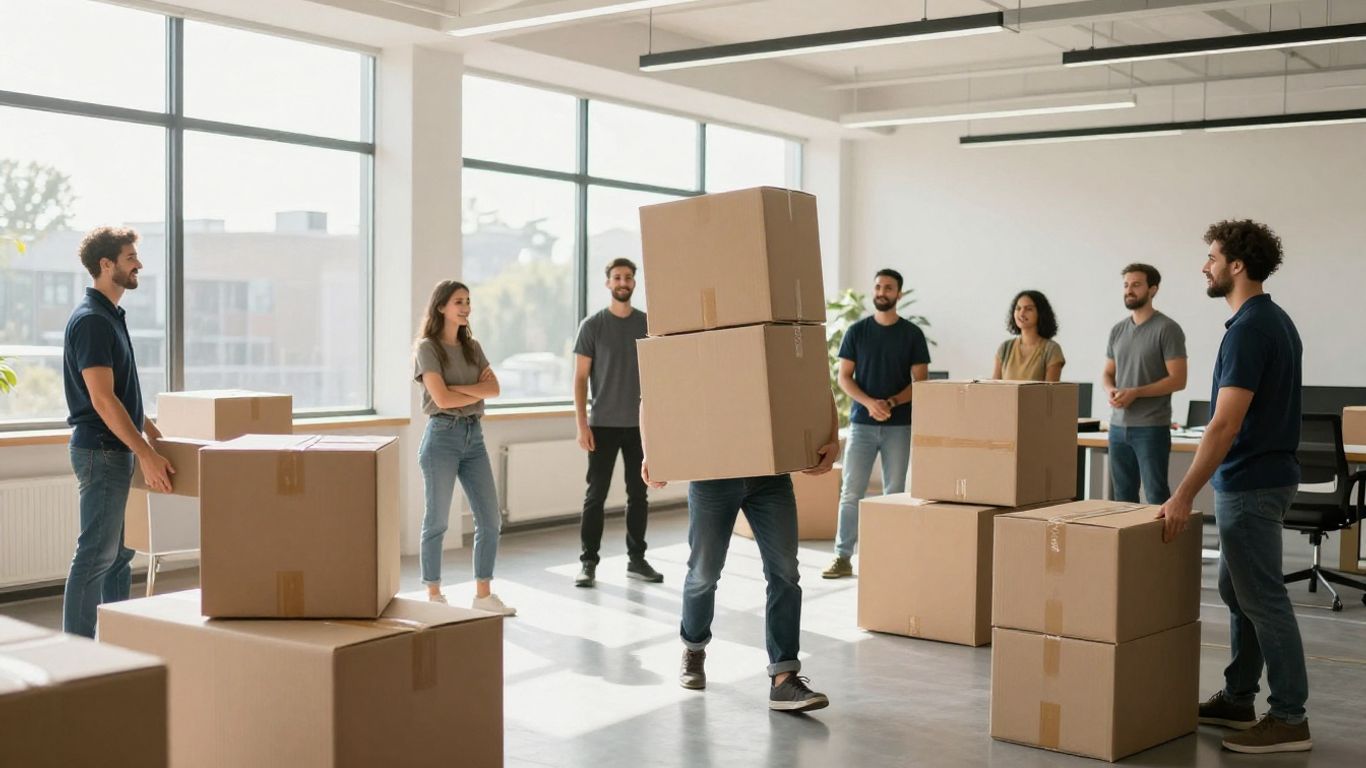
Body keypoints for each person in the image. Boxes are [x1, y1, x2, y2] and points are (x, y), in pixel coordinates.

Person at [1159, 220, 1310, 754]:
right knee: (1237, 591)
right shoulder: (1270, 320)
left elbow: (1224, 423)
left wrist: (1182, 495)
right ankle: (1239, 697)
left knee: (1262, 599)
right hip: (1260, 479)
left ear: (1236, 265)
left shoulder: (1250, 330)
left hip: (1251, 483)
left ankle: (1289, 718)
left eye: (1212, 257)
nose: (1205, 266)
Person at [643, 397, 840, 713]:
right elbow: (654, 394)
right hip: (712, 475)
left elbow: (814, 385)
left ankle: (784, 677)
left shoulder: (776, 355)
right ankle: (694, 648)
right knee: (704, 572)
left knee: (785, 572)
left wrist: (831, 438)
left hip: (771, 475)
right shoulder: (691, 358)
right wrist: (652, 452)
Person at [61, 226, 173, 638]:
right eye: (130, 258)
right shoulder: (93, 321)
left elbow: (121, 392)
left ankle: (114, 641)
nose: (138, 264)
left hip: (115, 450)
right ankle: (77, 651)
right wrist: (145, 453)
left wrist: (149, 429)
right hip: (102, 451)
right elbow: (103, 399)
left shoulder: (109, 315)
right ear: (106, 264)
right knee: (95, 556)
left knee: (119, 555)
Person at [414, 280, 515, 616]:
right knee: (437, 521)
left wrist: (455, 387)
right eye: (459, 301)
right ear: (441, 306)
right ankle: (433, 595)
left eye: (468, 301)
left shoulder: (473, 347)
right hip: (441, 438)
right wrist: (474, 390)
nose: (466, 307)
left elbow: (495, 389)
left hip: (474, 436)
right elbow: (441, 400)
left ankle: (483, 596)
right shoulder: (428, 348)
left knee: (490, 520)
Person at [822, 268, 930, 579]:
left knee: (894, 493)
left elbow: (921, 382)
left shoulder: (912, 334)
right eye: (878, 287)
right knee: (851, 492)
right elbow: (844, 377)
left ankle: (889, 556)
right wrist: (870, 403)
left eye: (889, 287)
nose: (882, 292)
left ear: (899, 294)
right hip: (861, 425)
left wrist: (891, 403)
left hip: (900, 427)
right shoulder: (857, 332)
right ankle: (842, 557)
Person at [572, 258, 660, 588]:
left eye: (628, 277)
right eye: (617, 277)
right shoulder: (592, 326)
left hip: (640, 427)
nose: (623, 282)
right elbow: (580, 378)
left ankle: (637, 560)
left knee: (639, 494)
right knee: (595, 496)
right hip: (602, 426)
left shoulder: (647, 324)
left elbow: (660, 375)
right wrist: (582, 424)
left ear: (634, 283)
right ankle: (588, 562)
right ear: (608, 283)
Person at [1103, 263, 1188, 504]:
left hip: (1151, 428)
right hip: (1117, 428)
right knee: (1122, 499)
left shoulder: (1168, 329)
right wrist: (1111, 390)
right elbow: (1107, 373)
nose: (1129, 290)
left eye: (1136, 285)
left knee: (1156, 495)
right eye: (1126, 285)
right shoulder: (1117, 330)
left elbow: (1178, 379)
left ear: (1153, 289)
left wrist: (1136, 393)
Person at [993, 290, 1065, 381]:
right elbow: (994, 386)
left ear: (1041, 313)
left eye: (1029, 309)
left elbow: (1050, 389)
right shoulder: (1005, 348)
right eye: (1018, 308)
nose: (1021, 313)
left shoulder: (1051, 349)